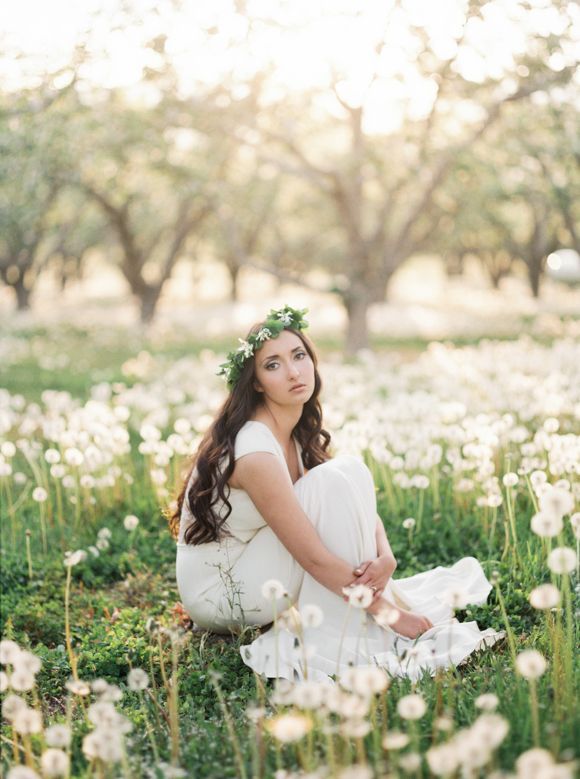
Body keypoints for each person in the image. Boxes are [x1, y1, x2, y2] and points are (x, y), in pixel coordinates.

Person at [173, 305, 502, 682]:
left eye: (299, 356)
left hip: (258, 564)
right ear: (257, 383)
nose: (294, 371)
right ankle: (359, 616)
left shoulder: (292, 430)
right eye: (273, 364)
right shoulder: (256, 450)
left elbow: (348, 497)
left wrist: (387, 557)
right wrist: (390, 614)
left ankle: (357, 601)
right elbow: (311, 556)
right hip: (223, 593)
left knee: (346, 471)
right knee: (333, 480)